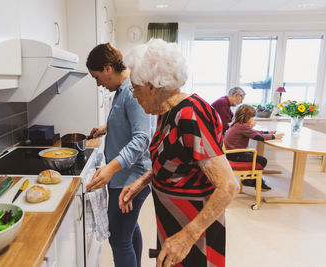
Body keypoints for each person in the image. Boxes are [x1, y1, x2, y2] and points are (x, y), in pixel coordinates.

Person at [119, 38, 239, 267]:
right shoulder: (166, 111)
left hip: (194, 232)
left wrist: (187, 237)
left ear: (152, 86)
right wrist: (142, 182)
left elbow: (229, 186)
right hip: (173, 224)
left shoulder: (191, 115)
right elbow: (174, 161)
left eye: (136, 88)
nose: (134, 95)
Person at [85, 43, 155, 267]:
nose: (98, 83)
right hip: (124, 177)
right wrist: (107, 127)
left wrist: (110, 168)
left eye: (97, 77)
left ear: (107, 68)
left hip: (131, 179)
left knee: (119, 238)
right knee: (128, 228)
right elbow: (129, 121)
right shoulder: (123, 89)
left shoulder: (132, 92)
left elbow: (142, 138)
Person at [224, 104, 284, 191]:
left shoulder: (237, 124)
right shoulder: (243, 126)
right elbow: (259, 138)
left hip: (231, 153)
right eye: (252, 117)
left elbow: (253, 132)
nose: (253, 119)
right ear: (247, 117)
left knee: (253, 155)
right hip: (235, 155)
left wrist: (267, 132)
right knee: (262, 160)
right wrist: (275, 137)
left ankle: (252, 180)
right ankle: (250, 179)